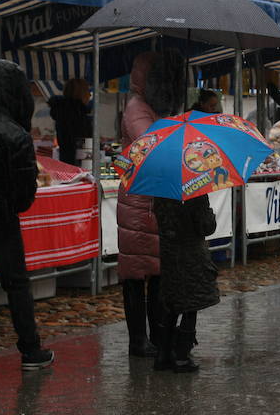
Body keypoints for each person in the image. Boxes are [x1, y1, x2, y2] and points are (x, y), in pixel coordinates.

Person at [0, 60, 54, 370]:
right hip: (0, 219)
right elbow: (24, 196)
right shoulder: (15, 135)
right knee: (16, 285)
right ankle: (30, 350)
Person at [117, 50, 185, 357]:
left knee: (157, 269)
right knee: (135, 271)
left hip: (156, 199)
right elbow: (150, 145)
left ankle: (156, 334)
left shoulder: (158, 108)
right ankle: (137, 340)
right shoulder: (136, 107)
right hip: (138, 200)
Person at [152, 195, 219, 373]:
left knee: (172, 302)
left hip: (169, 253)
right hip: (191, 254)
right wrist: (209, 213)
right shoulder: (196, 193)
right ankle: (182, 356)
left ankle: (163, 355)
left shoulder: (161, 193)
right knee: (191, 304)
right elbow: (206, 226)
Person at [48, 78, 92, 166]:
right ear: (81, 93)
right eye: (87, 91)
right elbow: (83, 142)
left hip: (66, 160)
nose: (90, 95)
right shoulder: (77, 115)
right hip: (79, 163)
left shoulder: (63, 112)